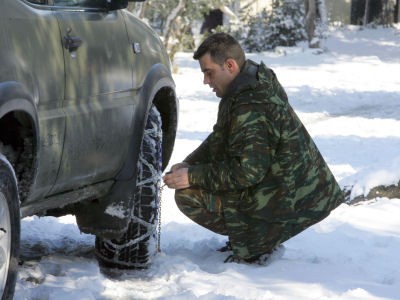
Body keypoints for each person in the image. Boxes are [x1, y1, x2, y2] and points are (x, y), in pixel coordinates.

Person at [163, 33, 344, 264]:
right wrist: (190, 163)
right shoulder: (247, 82)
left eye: (209, 73)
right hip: (281, 186)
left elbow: (247, 172)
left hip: (290, 198)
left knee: (188, 195)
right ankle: (254, 237)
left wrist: (192, 176)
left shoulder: (251, 103)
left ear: (229, 65)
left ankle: (256, 244)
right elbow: (221, 136)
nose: (206, 81)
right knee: (196, 181)